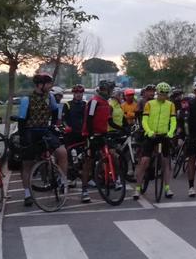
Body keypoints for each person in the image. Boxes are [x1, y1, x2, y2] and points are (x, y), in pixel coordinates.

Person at [19, 73, 68, 207]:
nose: (50, 86)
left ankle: (62, 181)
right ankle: (27, 194)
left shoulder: (50, 97)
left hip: (44, 130)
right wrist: (23, 138)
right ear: (40, 85)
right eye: (48, 84)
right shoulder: (26, 99)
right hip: (30, 131)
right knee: (27, 163)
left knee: (62, 152)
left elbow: (54, 112)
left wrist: (52, 126)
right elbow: (22, 120)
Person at [79, 81, 122, 203]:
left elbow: (110, 121)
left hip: (103, 134)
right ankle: (84, 190)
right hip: (91, 135)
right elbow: (89, 118)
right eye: (110, 90)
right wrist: (91, 135)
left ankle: (115, 179)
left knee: (112, 155)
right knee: (88, 162)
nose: (111, 92)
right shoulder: (94, 101)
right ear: (105, 90)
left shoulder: (107, 104)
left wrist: (122, 128)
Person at [134, 82, 176, 200]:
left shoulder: (171, 105)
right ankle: (137, 188)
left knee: (165, 161)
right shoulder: (149, 104)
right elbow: (144, 120)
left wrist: (171, 132)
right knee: (144, 161)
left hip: (164, 135)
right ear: (157, 93)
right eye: (161, 93)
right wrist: (149, 131)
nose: (163, 95)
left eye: (166, 94)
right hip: (151, 135)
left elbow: (173, 121)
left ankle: (167, 188)